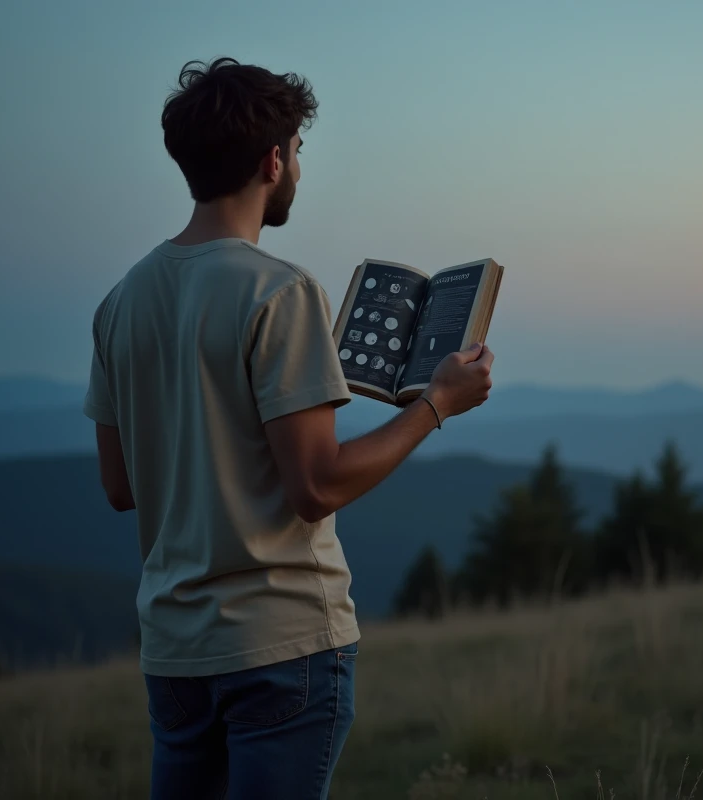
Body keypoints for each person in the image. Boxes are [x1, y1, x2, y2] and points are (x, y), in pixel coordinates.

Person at [82, 57, 494, 800]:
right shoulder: (280, 290)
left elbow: (119, 486)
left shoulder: (120, 302)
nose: (297, 167)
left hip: (174, 653)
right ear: (274, 161)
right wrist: (436, 404)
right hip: (280, 648)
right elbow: (317, 486)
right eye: (298, 151)